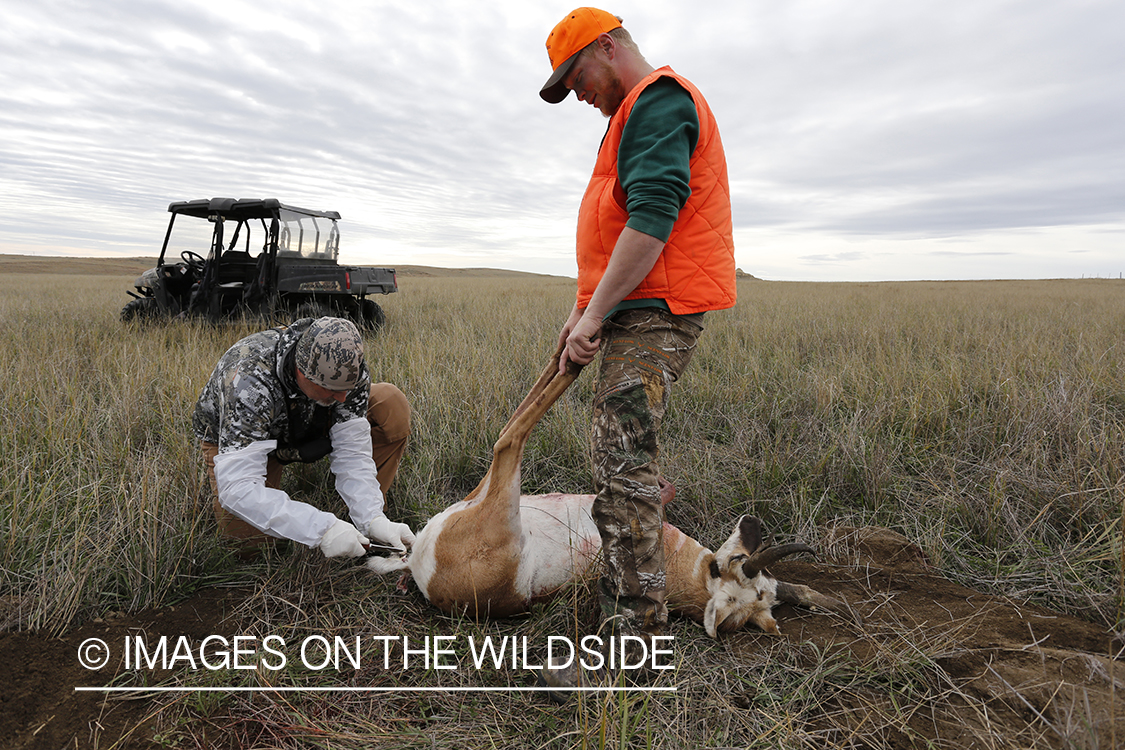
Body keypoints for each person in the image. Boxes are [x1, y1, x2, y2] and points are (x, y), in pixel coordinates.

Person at [541, 9, 737, 651]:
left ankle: (632, 651)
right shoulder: (627, 118)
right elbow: (612, 235)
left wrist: (595, 314)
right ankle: (628, 622)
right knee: (620, 465)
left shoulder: (657, 103)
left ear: (607, 46)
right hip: (633, 307)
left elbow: (652, 220)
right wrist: (582, 312)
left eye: (576, 77)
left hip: (657, 310)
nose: (577, 94)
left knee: (622, 474)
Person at [194, 316, 416, 559]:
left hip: (311, 416)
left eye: (346, 390)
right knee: (252, 549)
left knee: (388, 401)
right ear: (302, 371)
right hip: (251, 440)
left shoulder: (348, 372)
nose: (342, 399)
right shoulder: (248, 380)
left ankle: (359, 523)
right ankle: (336, 529)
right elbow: (237, 488)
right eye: (332, 389)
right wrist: (320, 529)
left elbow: (352, 452)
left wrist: (373, 518)